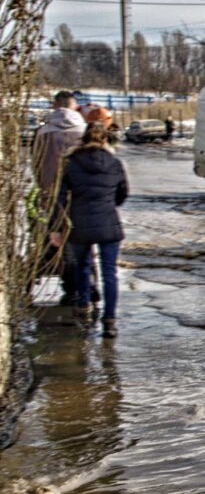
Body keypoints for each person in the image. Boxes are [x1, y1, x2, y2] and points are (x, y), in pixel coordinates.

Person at [53, 123, 129, 339]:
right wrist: (107, 203)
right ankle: (110, 321)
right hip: (108, 222)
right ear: (105, 140)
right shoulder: (114, 163)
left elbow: (59, 199)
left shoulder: (70, 164)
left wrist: (56, 228)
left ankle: (84, 306)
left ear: (83, 140)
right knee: (109, 273)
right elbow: (122, 194)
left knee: (83, 266)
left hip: (80, 224)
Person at [32, 90, 87, 305]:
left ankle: (69, 287)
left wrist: (43, 187)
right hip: (81, 194)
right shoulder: (83, 130)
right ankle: (86, 285)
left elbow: (35, 163)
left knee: (58, 240)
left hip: (51, 193)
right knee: (83, 241)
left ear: (55, 106)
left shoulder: (44, 132)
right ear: (74, 106)